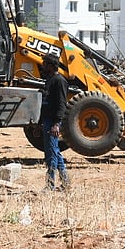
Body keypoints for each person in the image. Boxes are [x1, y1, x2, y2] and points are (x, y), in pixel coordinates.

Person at [39, 51, 70, 190]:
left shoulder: (60, 81)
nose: (43, 66)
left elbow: (62, 104)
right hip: (47, 121)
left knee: (52, 153)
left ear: (51, 66)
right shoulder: (50, 80)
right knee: (54, 152)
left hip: (53, 122)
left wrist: (57, 124)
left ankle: (50, 184)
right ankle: (65, 183)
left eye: (45, 64)